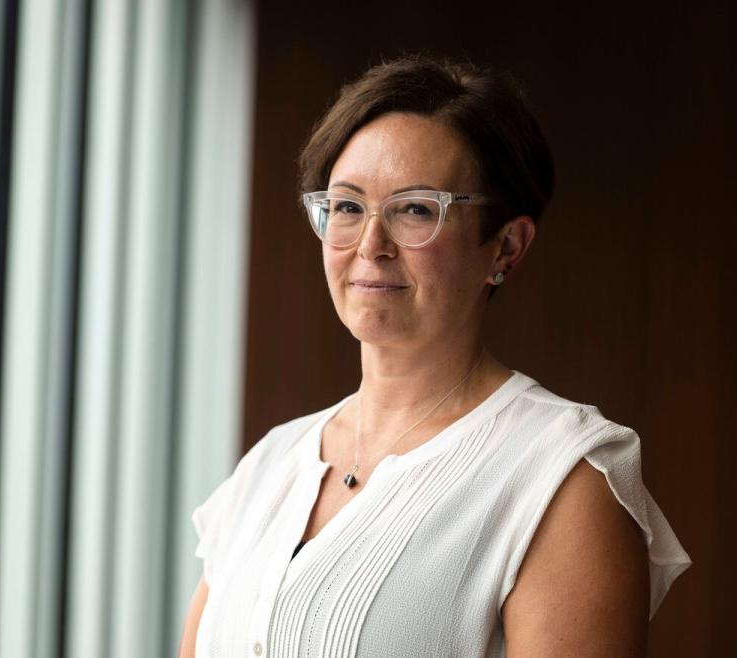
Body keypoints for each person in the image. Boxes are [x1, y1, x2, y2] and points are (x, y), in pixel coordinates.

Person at [179, 55, 691, 658]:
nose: (371, 245)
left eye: (416, 209)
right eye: (346, 206)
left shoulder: (563, 477)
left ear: (506, 245)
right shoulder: (269, 466)